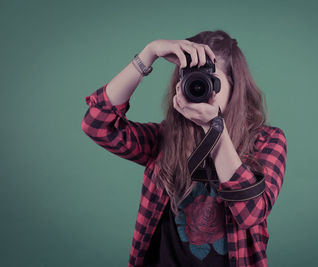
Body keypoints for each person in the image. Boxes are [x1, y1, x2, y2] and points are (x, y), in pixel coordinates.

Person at [81, 30, 287, 267]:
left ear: (233, 85)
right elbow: (97, 123)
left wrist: (214, 128)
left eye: (211, 80)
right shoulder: (165, 138)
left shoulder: (267, 140)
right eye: (192, 79)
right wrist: (149, 53)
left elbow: (251, 212)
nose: (202, 88)